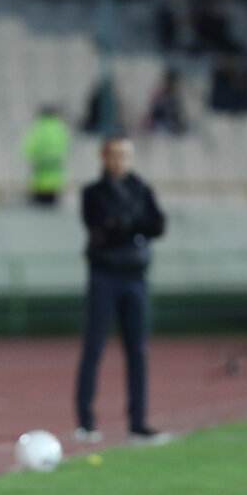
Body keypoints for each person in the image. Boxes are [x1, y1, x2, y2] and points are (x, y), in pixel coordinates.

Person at [74, 136, 167, 444]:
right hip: (104, 276)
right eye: (114, 155)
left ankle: (137, 423)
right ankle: (86, 423)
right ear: (104, 157)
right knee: (94, 347)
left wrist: (125, 225)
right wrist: (129, 226)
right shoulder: (93, 192)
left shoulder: (141, 189)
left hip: (135, 277)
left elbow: (157, 225)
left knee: (137, 350)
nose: (119, 160)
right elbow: (100, 228)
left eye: (125, 155)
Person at [22, 105, 71, 206]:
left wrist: (36, 157)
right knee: (51, 202)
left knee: (39, 204)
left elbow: (28, 147)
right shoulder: (59, 128)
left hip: (40, 171)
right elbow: (66, 146)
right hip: (54, 173)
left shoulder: (38, 128)